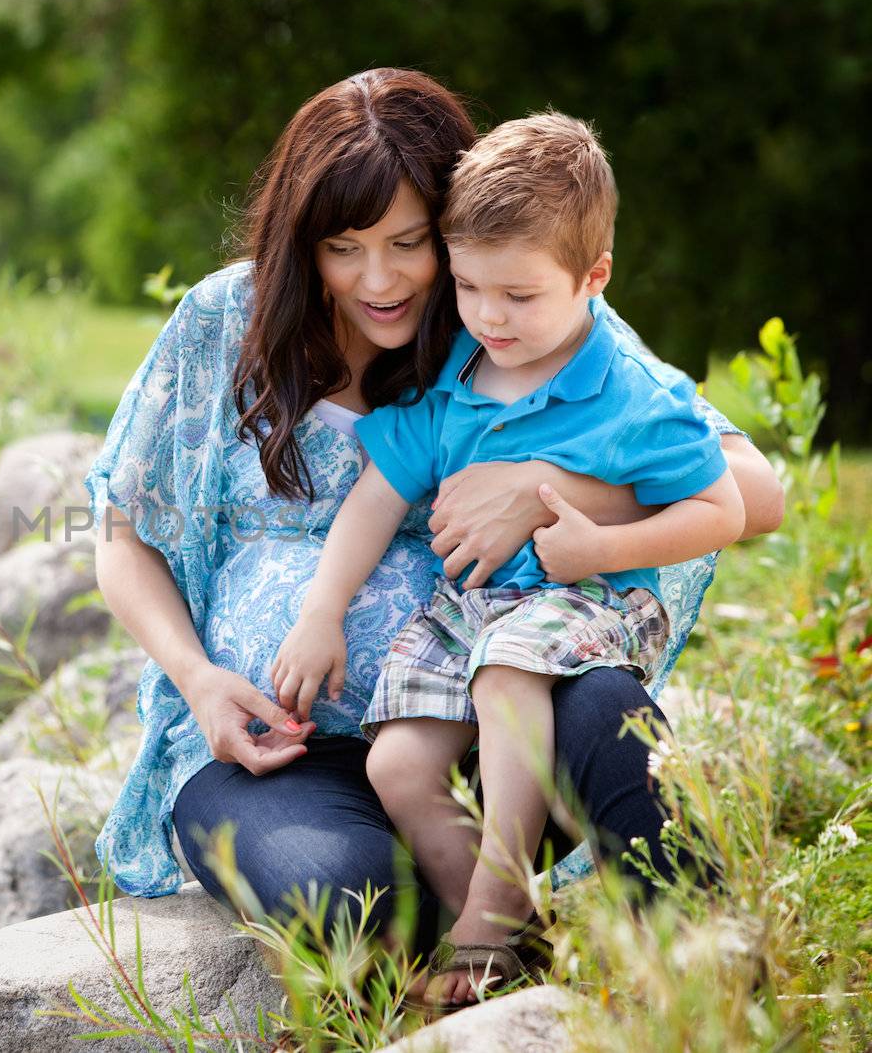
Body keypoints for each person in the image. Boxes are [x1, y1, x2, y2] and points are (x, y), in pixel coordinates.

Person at [83, 68, 784, 960]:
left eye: (409, 243)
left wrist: (537, 487)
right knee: (348, 899)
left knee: (608, 713)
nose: (378, 279)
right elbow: (122, 532)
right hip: (282, 752)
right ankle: (492, 932)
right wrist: (197, 679)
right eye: (343, 247)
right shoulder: (227, 319)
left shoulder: (508, 310)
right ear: (303, 241)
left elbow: (750, 489)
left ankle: (702, 961)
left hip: (494, 718)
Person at [270, 112, 745, 1008]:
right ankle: (515, 933)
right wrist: (321, 609)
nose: (489, 316)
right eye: (468, 287)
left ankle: (484, 923)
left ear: (594, 277)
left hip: (588, 596)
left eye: (519, 296)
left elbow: (723, 505)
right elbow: (378, 492)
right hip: (472, 608)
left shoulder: (635, 393)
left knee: (507, 673)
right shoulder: (458, 370)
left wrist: (604, 543)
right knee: (398, 764)